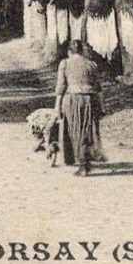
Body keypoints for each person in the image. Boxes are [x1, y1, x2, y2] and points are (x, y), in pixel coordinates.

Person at [54, 39, 104, 175]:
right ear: (82, 51)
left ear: (70, 51)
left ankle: (82, 165)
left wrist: (57, 107)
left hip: (72, 99)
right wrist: (101, 106)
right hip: (90, 99)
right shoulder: (92, 65)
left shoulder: (64, 64)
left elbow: (61, 87)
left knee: (75, 130)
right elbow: (98, 89)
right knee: (87, 130)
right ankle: (85, 161)